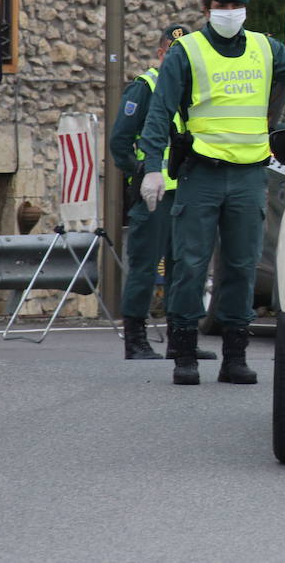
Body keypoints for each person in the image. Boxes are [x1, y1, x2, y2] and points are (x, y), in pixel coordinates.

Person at [137, 0, 285, 385]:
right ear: (206, 11)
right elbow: (159, 112)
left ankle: (235, 355)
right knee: (191, 264)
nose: (227, 14)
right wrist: (150, 168)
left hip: (250, 176)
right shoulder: (187, 51)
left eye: (232, 8)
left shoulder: (264, 49)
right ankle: (184, 352)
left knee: (241, 266)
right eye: (219, 9)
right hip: (201, 173)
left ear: (244, 10)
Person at [107, 24, 217, 361]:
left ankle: (180, 339)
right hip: (154, 197)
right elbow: (119, 142)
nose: (175, 59)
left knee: (185, 268)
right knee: (144, 267)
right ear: (160, 54)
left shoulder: (191, 88)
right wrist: (139, 173)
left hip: (185, 194)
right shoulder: (146, 86)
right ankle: (136, 340)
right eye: (171, 52)